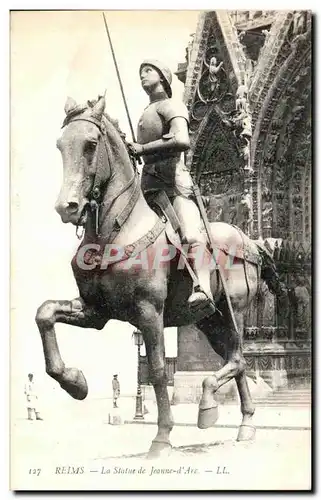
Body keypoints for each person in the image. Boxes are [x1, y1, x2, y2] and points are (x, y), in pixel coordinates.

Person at [128, 59, 214, 309]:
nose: (142, 75)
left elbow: (182, 139)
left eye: (148, 70)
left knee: (189, 233)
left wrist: (142, 148)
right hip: (149, 184)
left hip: (173, 182)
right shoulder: (146, 112)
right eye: (140, 71)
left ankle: (204, 289)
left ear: (163, 77)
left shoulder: (172, 105)